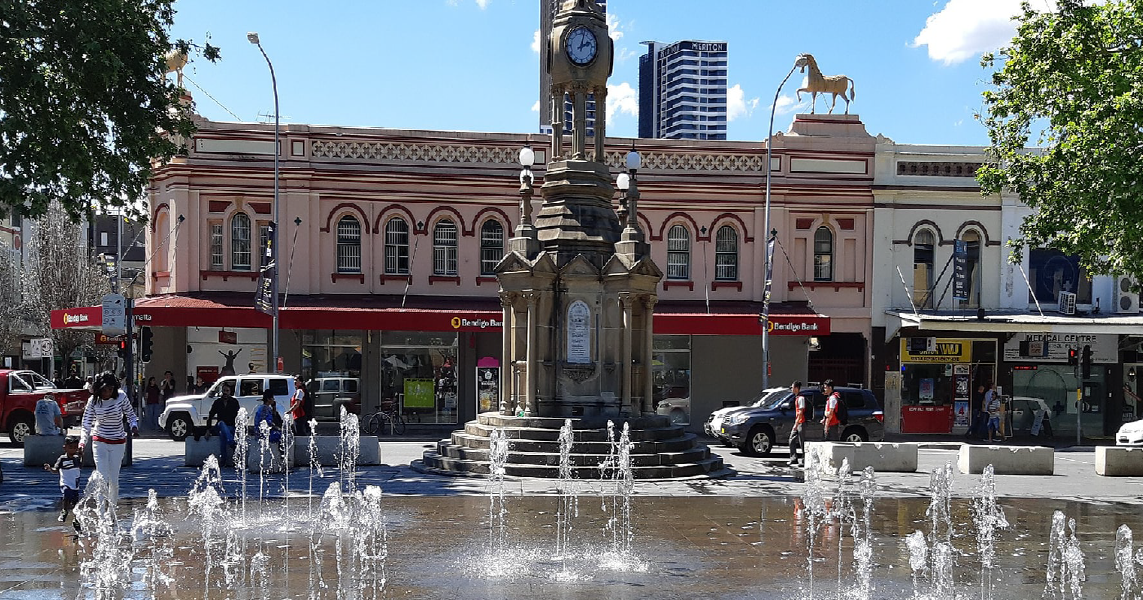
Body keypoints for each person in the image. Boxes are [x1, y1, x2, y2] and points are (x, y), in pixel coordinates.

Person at [78, 371, 138, 506]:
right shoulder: (93, 401)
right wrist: (82, 442)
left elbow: (131, 415)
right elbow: (86, 423)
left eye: (110, 389)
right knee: (102, 478)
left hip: (118, 442)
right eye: (104, 390)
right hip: (100, 441)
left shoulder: (121, 397)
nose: (107, 393)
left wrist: (134, 426)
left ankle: (111, 512)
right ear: (99, 389)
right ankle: (101, 513)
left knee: (114, 481)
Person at [44, 435, 82, 529]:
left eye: (75, 448)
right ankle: (64, 510)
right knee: (66, 493)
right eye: (71, 447)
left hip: (75, 484)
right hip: (65, 482)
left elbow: (80, 467)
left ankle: (76, 520)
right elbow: (56, 470)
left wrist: (82, 455)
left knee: (75, 503)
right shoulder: (62, 459)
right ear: (65, 447)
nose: (73, 450)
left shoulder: (77, 458)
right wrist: (50, 469)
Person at [206, 384, 240, 466]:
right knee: (221, 423)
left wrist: (238, 430)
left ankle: (223, 460)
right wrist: (208, 430)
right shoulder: (217, 402)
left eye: (227, 391)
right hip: (219, 426)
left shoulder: (234, 402)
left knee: (222, 434)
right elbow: (210, 416)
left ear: (230, 392)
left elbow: (238, 417)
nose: (225, 393)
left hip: (231, 427)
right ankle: (231, 443)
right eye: (224, 390)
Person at [787, 381, 805, 467]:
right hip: (798, 422)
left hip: (801, 422)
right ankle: (793, 458)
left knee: (802, 442)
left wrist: (796, 424)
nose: (791, 388)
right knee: (791, 439)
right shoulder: (797, 398)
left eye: (792, 387)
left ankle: (804, 460)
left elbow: (801, 412)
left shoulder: (801, 398)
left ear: (797, 388)